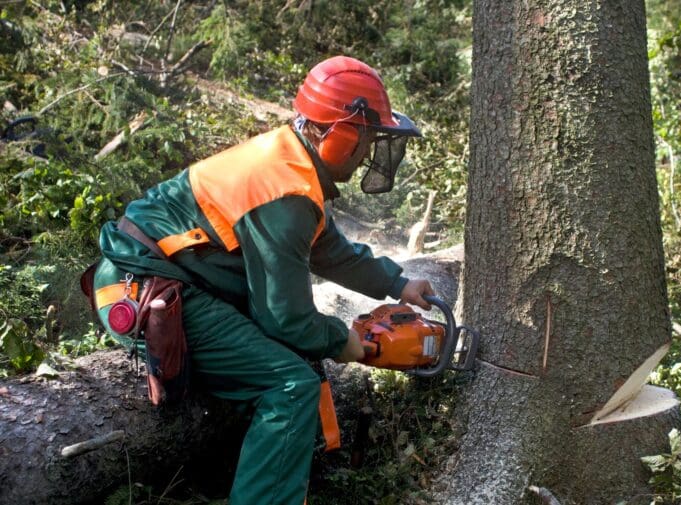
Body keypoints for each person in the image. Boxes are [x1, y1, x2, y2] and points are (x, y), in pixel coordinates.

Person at [90, 55, 435, 504]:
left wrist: (399, 284)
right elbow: (285, 319)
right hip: (149, 289)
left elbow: (330, 250)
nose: (368, 153)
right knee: (290, 386)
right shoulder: (286, 192)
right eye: (367, 139)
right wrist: (345, 342)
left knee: (285, 365)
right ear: (340, 134)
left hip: (170, 278)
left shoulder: (291, 165)